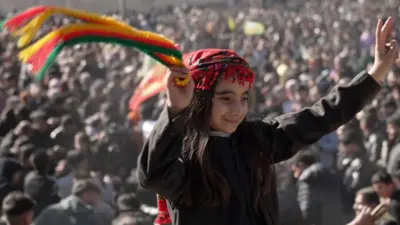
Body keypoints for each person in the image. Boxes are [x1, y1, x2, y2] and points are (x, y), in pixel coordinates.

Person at [137, 18, 399, 225]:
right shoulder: (184, 155)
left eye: (243, 97)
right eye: (226, 98)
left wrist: (375, 74)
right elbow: (152, 175)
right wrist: (175, 109)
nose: (238, 109)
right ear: (201, 99)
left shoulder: (257, 138)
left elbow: (321, 116)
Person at [291, 151, 344, 225]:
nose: (294, 174)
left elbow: (306, 208)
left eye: (294, 169)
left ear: (301, 165)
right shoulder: (330, 174)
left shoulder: (306, 178)